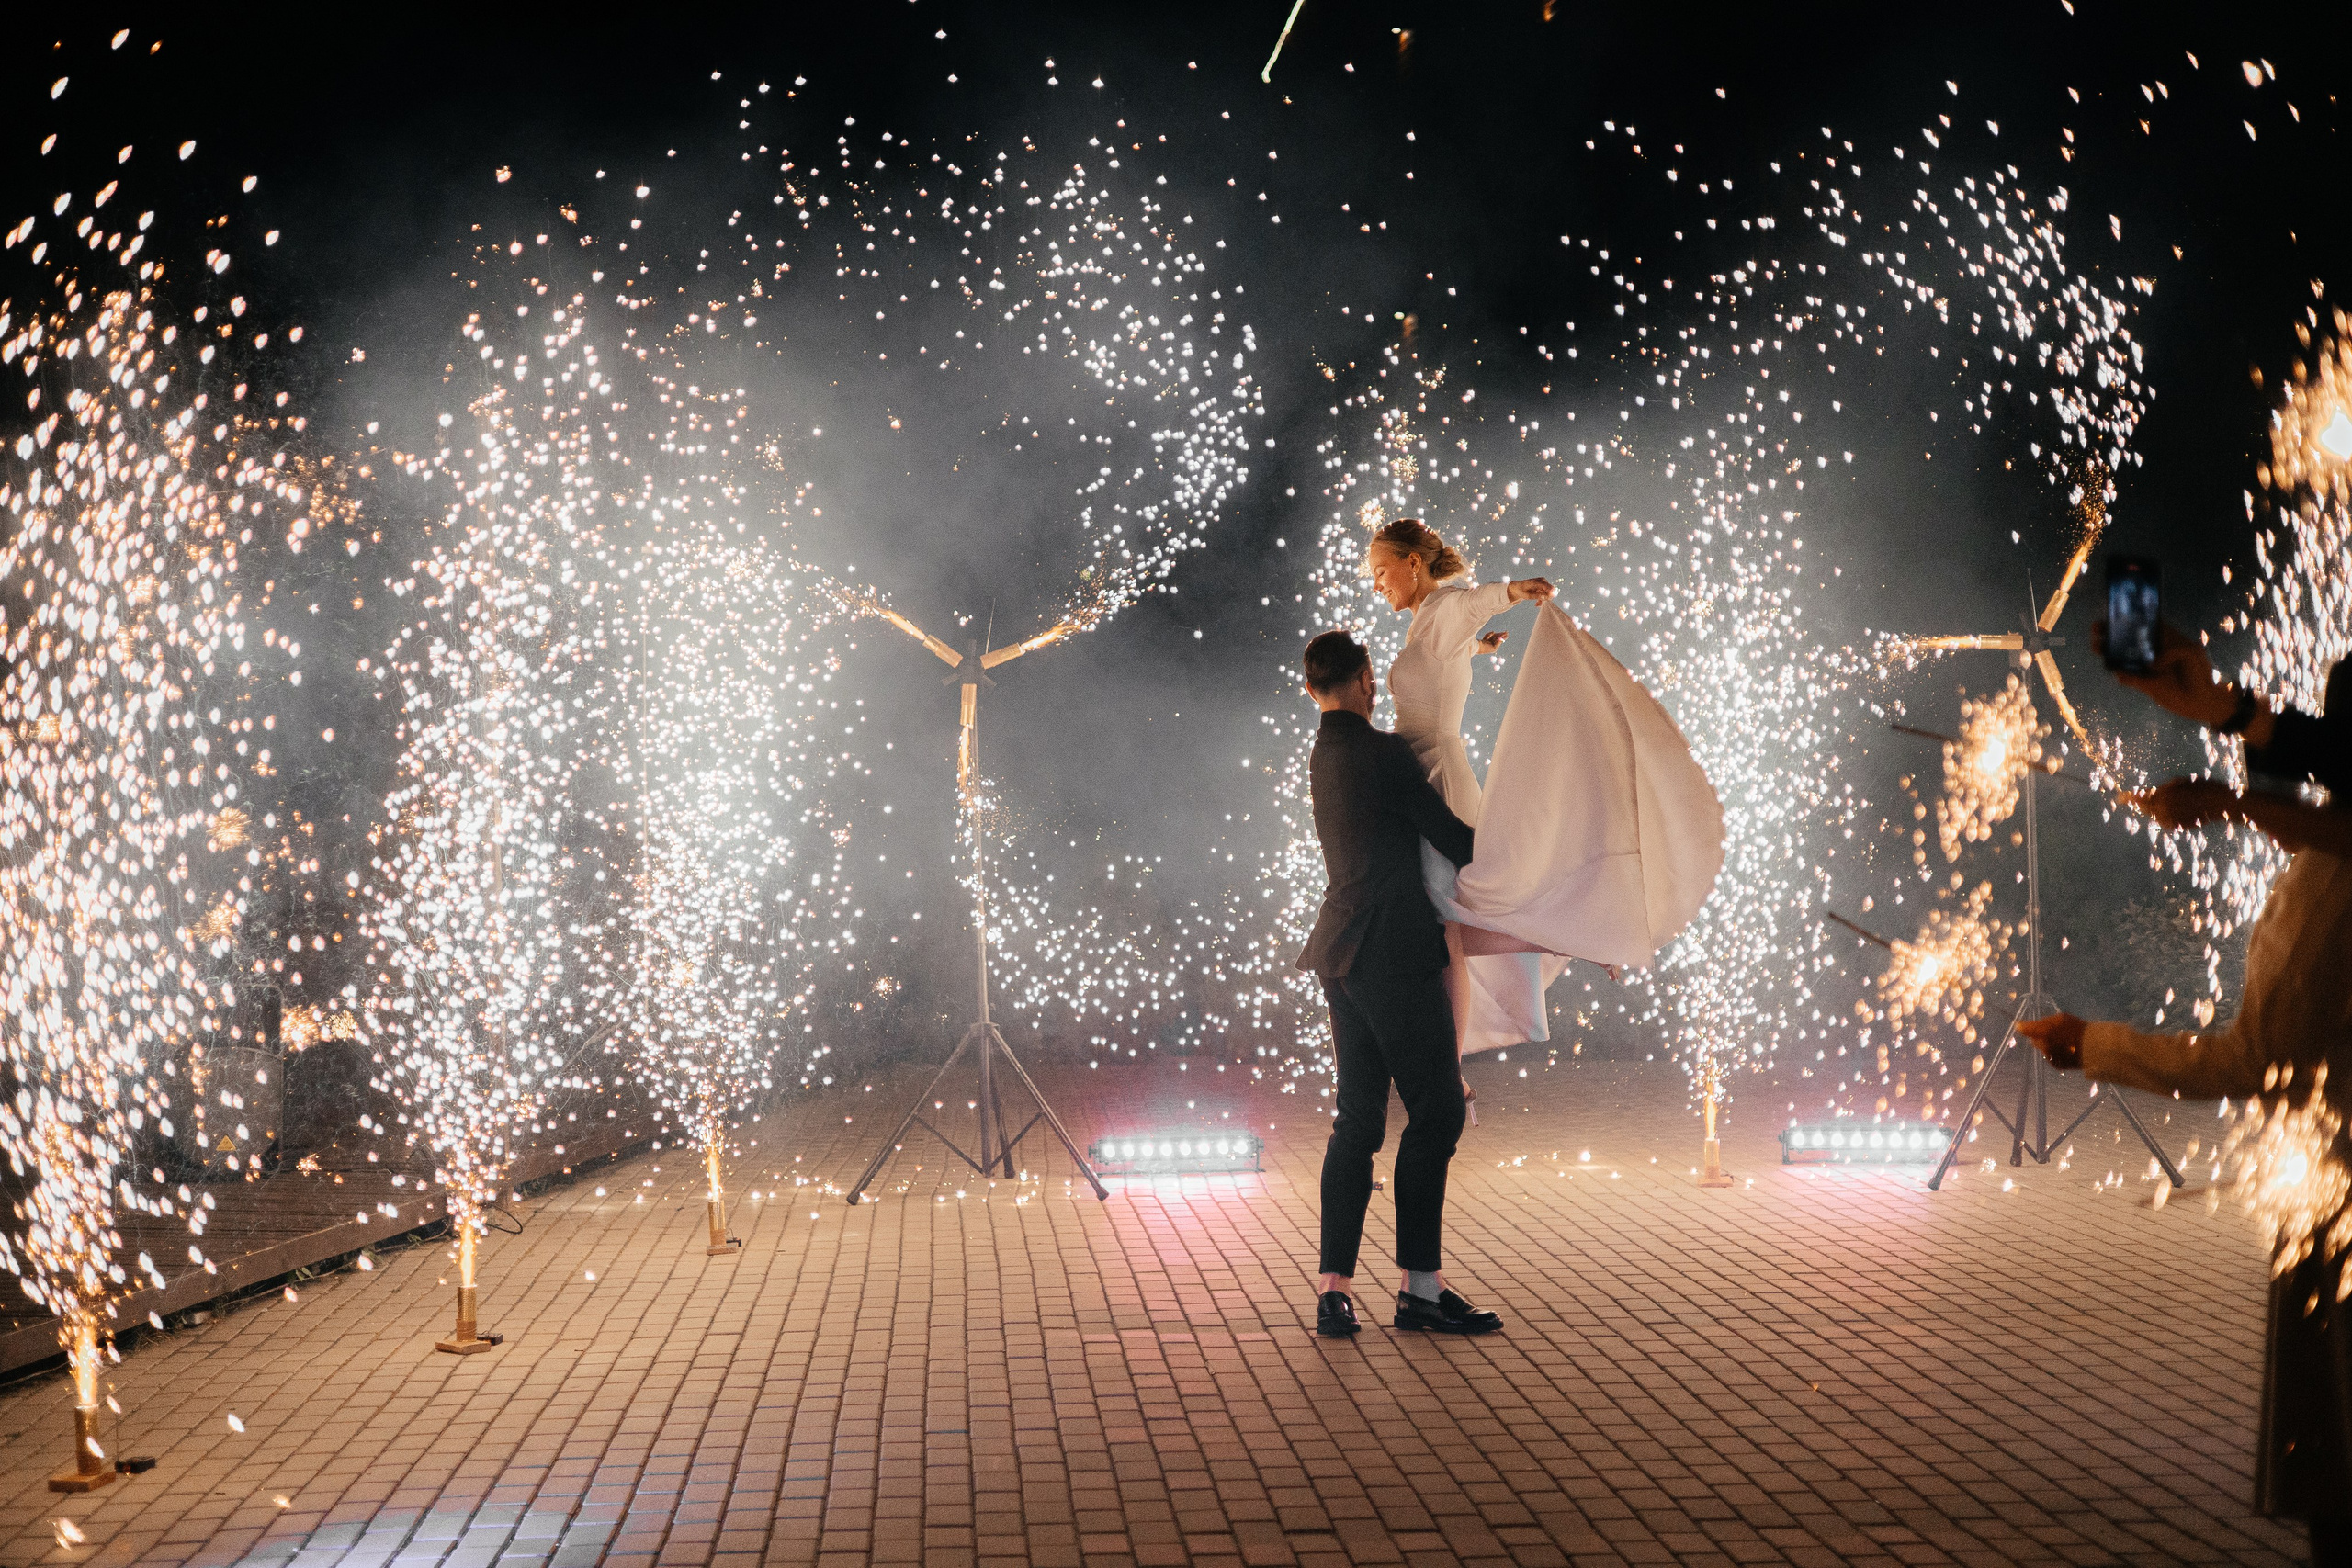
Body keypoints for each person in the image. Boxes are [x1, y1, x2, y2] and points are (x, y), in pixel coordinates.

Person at [2024, 623, 2352, 1562]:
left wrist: (2097, 1045)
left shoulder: (2333, 889)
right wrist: (2227, 723)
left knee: (2340, 1454)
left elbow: (2255, 1059)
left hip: (2342, 1196)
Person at [1363, 518, 1724, 1063]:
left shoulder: (1440, 611)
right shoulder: (1427, 625)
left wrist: (1508, 593)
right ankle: (1562, 940)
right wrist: (1477, 651)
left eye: (1381, 570)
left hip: (1434, 779)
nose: (1376, 583)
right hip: (1423, 777)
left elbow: (1465, 606)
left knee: (1448, 918)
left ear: (1413, 564)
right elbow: (1443, 653)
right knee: (1446, 924)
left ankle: (1564, 941)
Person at [1295, 629, 1503, 1338]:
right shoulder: (1385, 755)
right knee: (1439, 1110)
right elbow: (1455, 838)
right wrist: (1536, 851)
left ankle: (1334, 1290)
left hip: (1339, 955)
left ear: (1309, 689)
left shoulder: (1321, 755)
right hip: (1390, 956)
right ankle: (1420, 1289)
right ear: (1365, 682)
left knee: (1358, 1118)